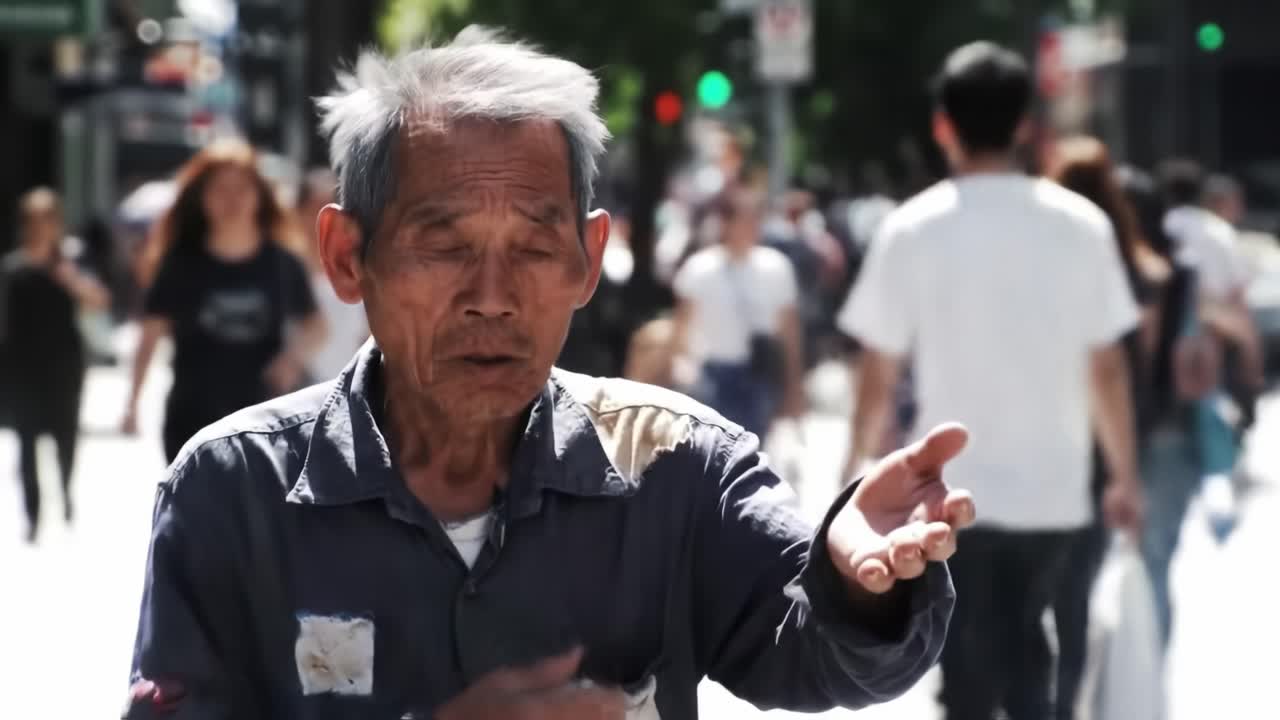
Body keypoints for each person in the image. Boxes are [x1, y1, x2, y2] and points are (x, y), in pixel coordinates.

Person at [123, 27, 977, 720]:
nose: (492, 298)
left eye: (534, 247)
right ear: (349, 257)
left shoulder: (677, 466)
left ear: (588, 257)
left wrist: (860, 585)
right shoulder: (232, 492)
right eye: (445, 245)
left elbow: (817, 655)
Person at [837, 43, 1142, 719]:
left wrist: (857, 465)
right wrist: (1124, 474)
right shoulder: (1080, 226)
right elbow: (1107, 367)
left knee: (966, 659)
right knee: (1035, 648)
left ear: (944, 125)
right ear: (1028, 125)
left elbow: (878, 368)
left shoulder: (911, 228)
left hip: (949, 495)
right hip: (1055, 488)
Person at [1046, 137, 1171, 720]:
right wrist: (1127, 467)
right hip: (1106, 445)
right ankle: (1073, 699)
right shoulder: (1140, 272)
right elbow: (1130, 374)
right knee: (1080, 588)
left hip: (1048, 434)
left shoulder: (1044, 263)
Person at [121, 139, 327, 462]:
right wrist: (132, 404)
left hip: (263, 425)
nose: (232, 200)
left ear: (259, 196)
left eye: (242, 189)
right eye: (220, 189)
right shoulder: (180, 264)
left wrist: (292, 359)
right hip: (192, 425)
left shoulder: (283, 263)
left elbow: (316, 326)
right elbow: (150, 336)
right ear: (202, 198)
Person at [1, 188, 110, 542]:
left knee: (66, 437)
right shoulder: (14, 268)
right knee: (26, 441)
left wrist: (71, 279)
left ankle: (65, 495)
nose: (41, 227)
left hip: (64, 365)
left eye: (48, 219)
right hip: (22, 366)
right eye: (35, 220)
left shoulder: (72, 261)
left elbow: (99, 302)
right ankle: (32, 514)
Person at [669, 186, 806, 438]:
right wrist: (681, 367)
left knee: (752, 449)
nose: (751, 226)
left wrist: (793, 385)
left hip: (758, 373)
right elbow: (680, 328)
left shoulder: (777, 268)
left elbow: (789, 332)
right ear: (726, 223)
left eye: (755, 218)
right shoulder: (700, 268)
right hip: (713, 375)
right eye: (744, 218)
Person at [295, 166, 369, 382]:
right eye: (315, 207)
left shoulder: (361, 270)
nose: (322, 216)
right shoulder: (284, 269)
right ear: (298, 211)